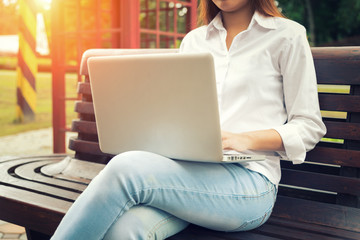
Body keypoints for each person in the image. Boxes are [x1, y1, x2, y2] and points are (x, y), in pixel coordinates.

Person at [51, 0, 326, 239]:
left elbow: (309, 126)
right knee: (126, 230)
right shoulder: (194, 41)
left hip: (250, 184)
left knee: (125, 168)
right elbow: (179, 113)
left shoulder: (287, 36)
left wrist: (243, 139)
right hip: (187, 174)